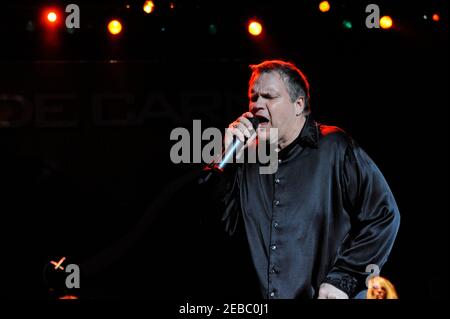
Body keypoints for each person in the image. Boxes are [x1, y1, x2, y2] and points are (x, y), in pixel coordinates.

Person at [214, 60, 400, 299]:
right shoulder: (246, 159)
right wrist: (224, 158)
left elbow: (383, 214)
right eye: (253, 97)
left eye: (269, 96)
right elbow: (217, 229)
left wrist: (343, 279)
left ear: (298, 104)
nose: (257, 105)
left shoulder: (334, 147)